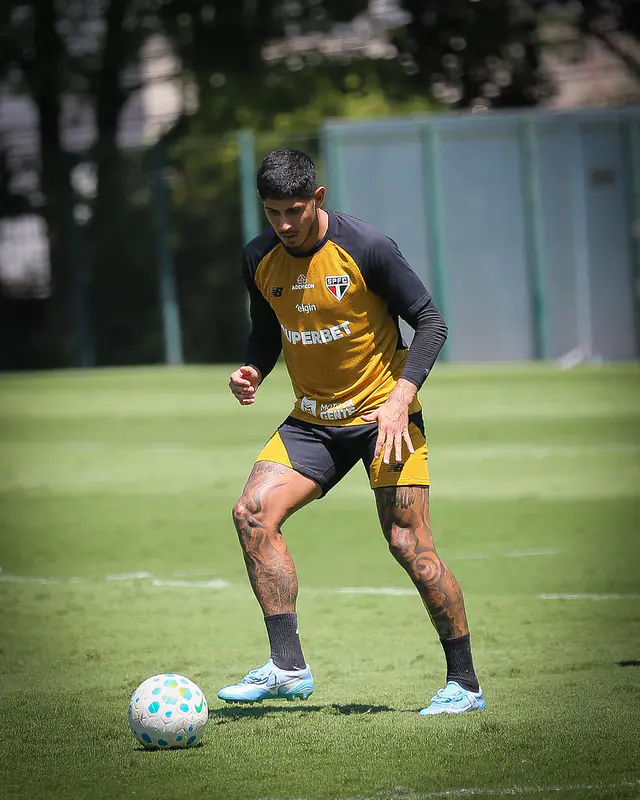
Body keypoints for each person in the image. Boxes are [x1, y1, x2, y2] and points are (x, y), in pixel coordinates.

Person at [218, 149, 485, 715]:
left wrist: (400, 399)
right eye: (272, 212)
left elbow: (431, 322)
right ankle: (288, 667)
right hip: (313, 421)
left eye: (294, 211)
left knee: (409, 546)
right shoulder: (258, 257)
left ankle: (465, 684)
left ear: (317, 198)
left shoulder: (367, 247)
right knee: (251, 514)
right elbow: (266, 329)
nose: (284, 224)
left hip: (383, 419)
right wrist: (253, 370)